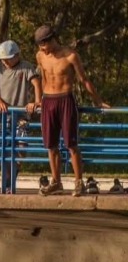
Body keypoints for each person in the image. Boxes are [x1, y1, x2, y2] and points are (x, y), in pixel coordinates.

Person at [34, 23, 110, 197]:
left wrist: (98, 101)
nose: (43, 49)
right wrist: (39, 100)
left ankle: (79, 182)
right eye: (40, 46)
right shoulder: (40, 56)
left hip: (65, 100)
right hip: (48, 102)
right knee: (51, 146)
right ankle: (56, 182)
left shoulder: (70, 56)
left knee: (71, 144)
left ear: (53, 39)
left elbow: (84, 80)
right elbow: (43, 78)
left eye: (44, 45)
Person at [0, 39, 42, 193]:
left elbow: (36, 84)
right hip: (3, 116)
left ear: (17, 56)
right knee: (4, 151)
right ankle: (6, 184)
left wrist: (36, 102)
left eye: (8, 58)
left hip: (21, 117)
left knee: (20, 150)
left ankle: (10, 179)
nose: (5, 61)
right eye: (3, 59)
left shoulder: (26, 67)